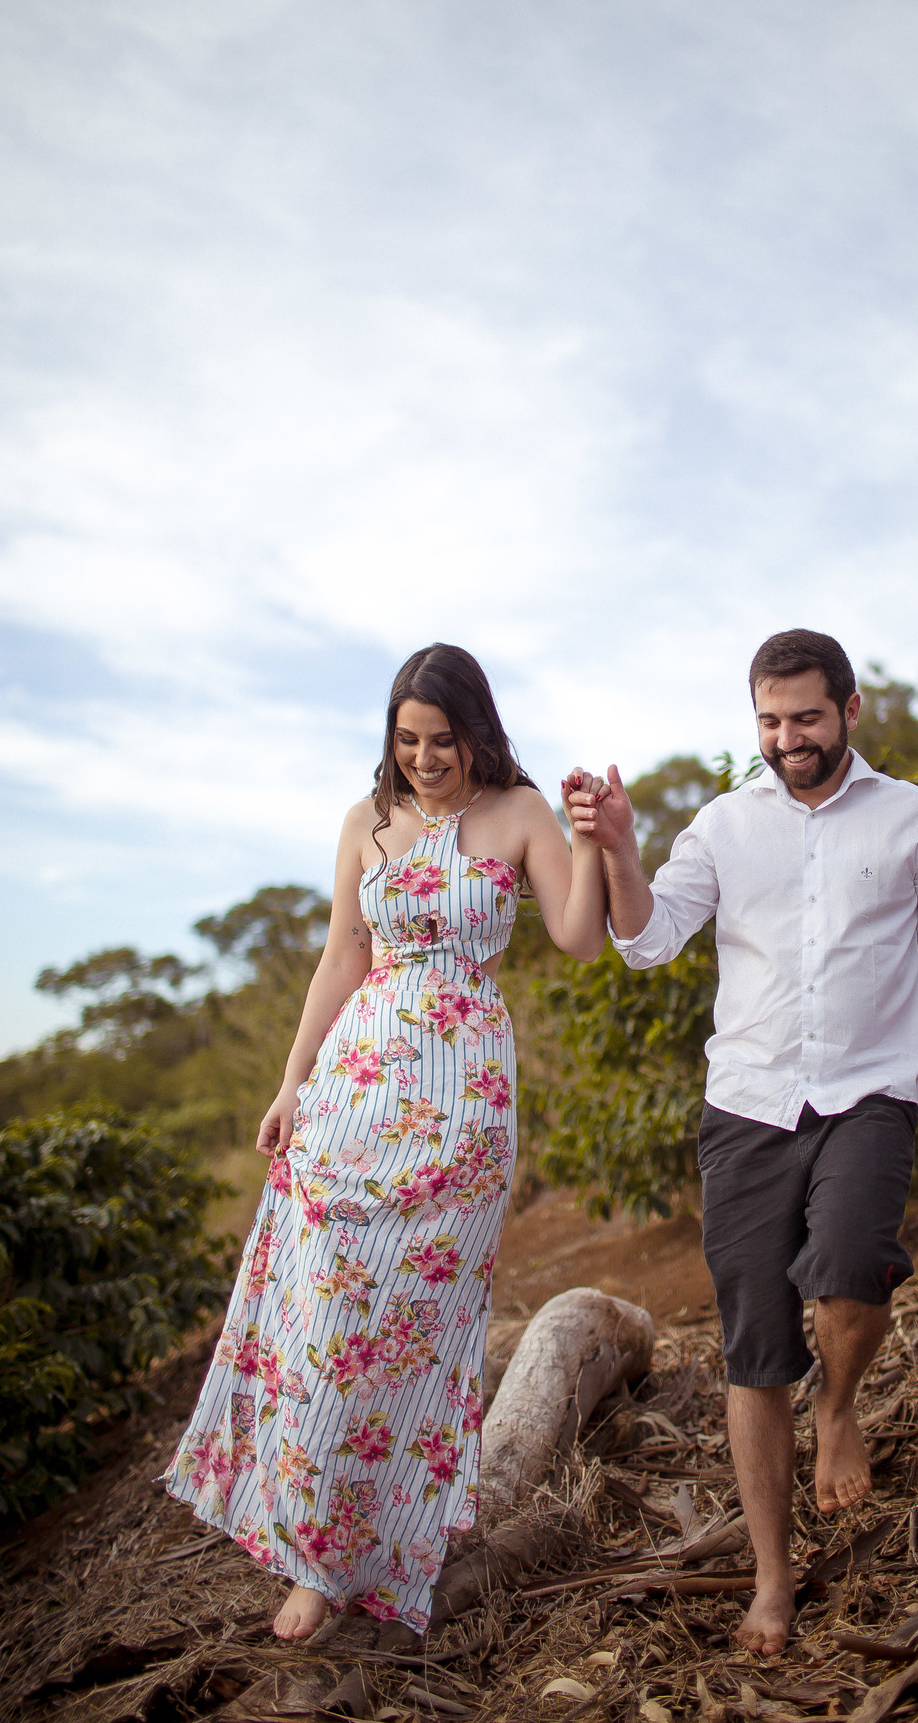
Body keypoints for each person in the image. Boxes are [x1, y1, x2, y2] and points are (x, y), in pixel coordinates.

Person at [164, 644, 608, 1640]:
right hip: (351, 1100)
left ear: (476, 732)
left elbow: (581, 937)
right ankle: (315, 1560)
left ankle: (394, 1536)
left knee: (409, 1340)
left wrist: (594, 841)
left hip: (462, 1109)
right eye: (407, 740)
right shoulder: (366, 826)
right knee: (324, 1331)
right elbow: (341, 955)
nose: (423, 759)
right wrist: (290, 1084)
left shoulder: (521, 814)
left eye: (441, 740)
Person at [564, 628, 918, 1656]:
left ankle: (838, 1408)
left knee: (851, 1272)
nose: (788, 739)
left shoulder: (911, 818)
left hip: (867, 1093)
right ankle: (772, 1576)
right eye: (768, 721)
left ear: (851, 708)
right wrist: (619, 846)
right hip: (747, 1109)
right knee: (754, 1349)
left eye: (806, 717)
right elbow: (646, 940)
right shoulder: (721, 825)